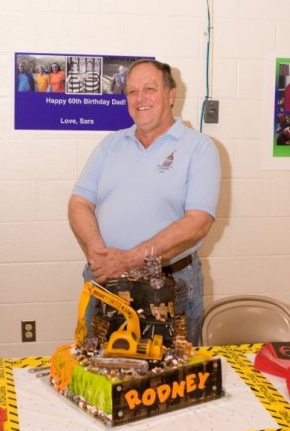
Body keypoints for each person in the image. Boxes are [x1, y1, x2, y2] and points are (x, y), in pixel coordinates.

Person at [68, 59, 221, 346]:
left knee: (172, 382)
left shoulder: (199, 148)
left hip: (171, 287)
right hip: (104, 283)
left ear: (171, 95)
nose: (140, 99)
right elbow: (79, 202)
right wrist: (97, 254)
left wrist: (127, 260)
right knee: (97, 373)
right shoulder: (110, 145)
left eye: (149, 89)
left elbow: (198, 223)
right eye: (132, 92)